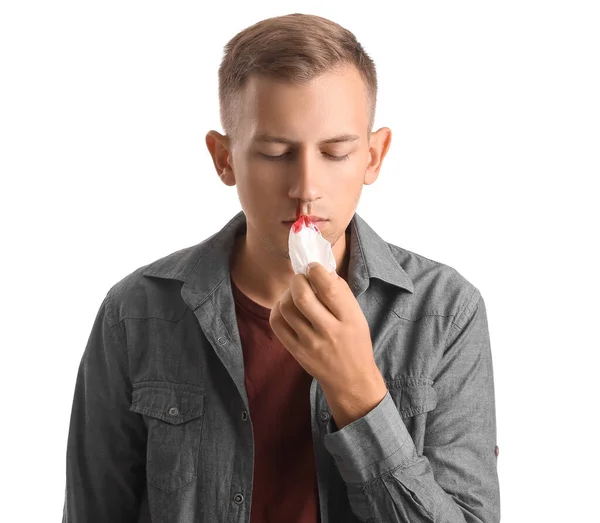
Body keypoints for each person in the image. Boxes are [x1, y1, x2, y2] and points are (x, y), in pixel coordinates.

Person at [62, 12, 500, 523]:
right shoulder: (135, 313)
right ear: (224, 159)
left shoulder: (445, 312)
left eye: (336, 152)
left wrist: (357, 389)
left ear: (374, 157)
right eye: (274, 153)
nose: (306, 187)